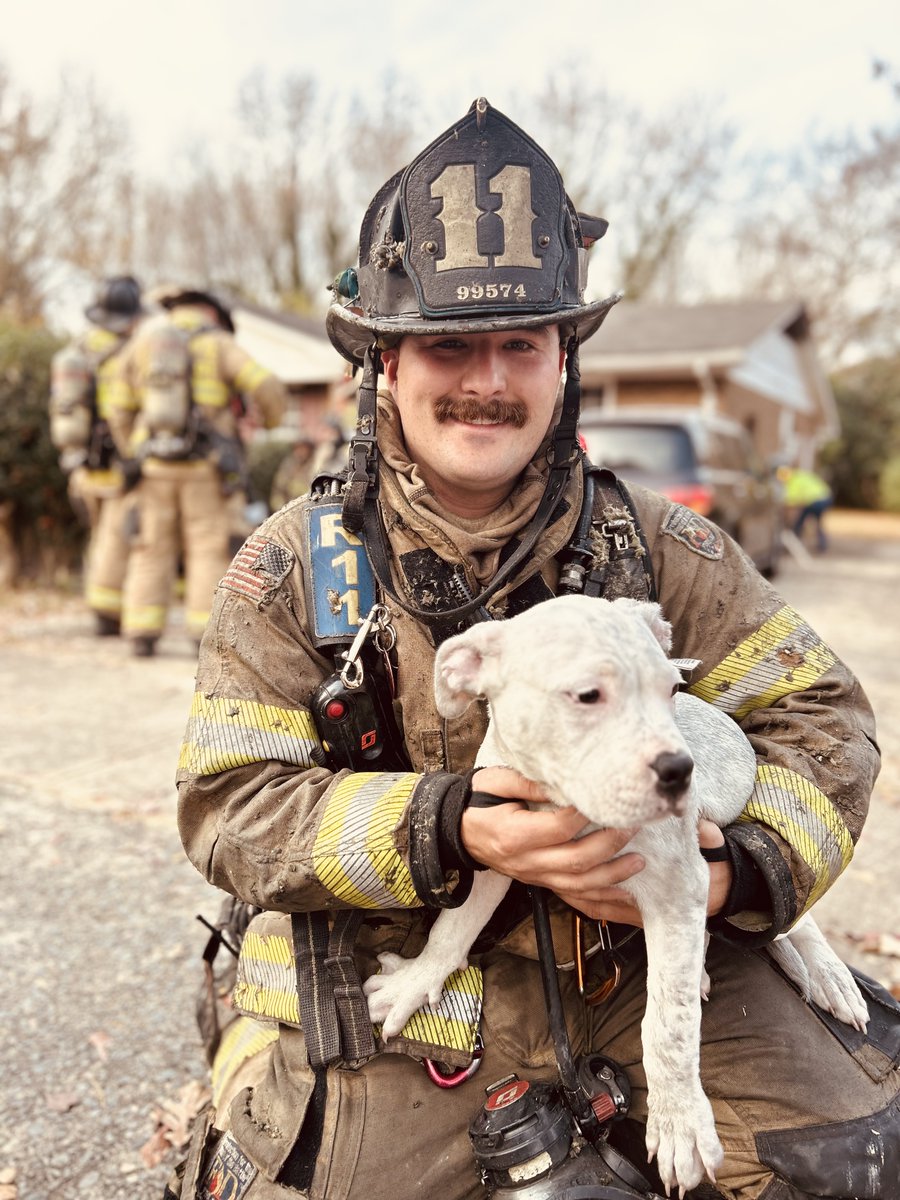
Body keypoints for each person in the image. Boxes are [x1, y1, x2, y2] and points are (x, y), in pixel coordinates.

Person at [169, 101, 899, 1200]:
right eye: (449, 345)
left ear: (564, 361)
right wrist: (448, 821)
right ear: (384, 367)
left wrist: (729, 874)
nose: (489, 380)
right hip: (414, 994)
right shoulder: (290, 570)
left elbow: (823, 721)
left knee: (850, 1161)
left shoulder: (661, 547)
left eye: (523, 344)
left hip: (658, 962)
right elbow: (228, 806)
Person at [107, 287, 287, 656]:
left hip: (152, 467)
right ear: (210, 311)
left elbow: (117, 406)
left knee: (150, 546)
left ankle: (141, 633)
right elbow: (265, 384)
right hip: (207, 468)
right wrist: (271, 421)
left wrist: (132, 448)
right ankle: (199, 636)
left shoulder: (143, 342)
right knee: (207, 546)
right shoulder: (217, 342)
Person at [48, 275, 146, 636]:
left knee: (98, 536)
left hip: (82, 466)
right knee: (115, 539)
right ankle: (106, 614)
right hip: (118, 463)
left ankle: (103, 606)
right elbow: (127, 411)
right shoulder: (129, 350)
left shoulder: (80, 349)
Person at [781, 466, 834, 553]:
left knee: (801, 520)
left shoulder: (793, 482)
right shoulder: (801, 475)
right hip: (827, 497)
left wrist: (786, 514)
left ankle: (795, 539)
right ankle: (822, 544)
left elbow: (790, 502)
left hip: (815, 500)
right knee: (818, 521)